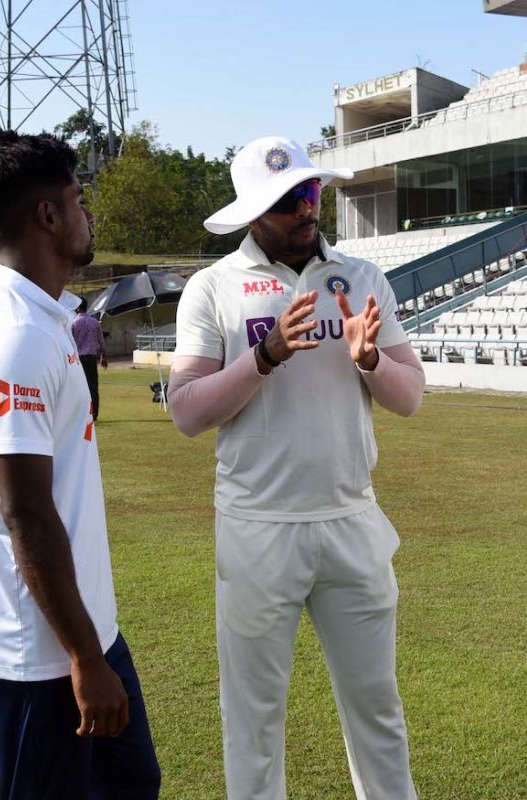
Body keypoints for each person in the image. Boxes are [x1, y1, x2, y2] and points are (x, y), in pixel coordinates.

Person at [168, 135, 424, 800]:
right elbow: (188, 410)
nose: (305, 211)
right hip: (259, 526)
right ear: (253, 214)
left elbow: (412, 397)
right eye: (287, 202)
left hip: (351, 518)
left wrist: (371, 361)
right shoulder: (214, 287)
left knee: (378, 710)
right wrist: (265, 356)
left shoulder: (362, 276)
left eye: (310, 194)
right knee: (253, 720)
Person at [0, 131, 160, 799]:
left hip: (84, 633)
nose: (86, 214)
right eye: (78, 199)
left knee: (133, 784)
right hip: (34, 655)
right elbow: (26, 512)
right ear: (48, 216)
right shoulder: (15, 338)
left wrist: (95, 646)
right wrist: (83, 659)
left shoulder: (43, 321)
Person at [71, 298, 107, 420]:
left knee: (78, 386)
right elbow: (101, 341)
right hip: (91, 357)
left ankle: (81, 413)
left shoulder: (73, 323)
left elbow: (70, 342)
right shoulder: (95, 322)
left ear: (77, 308)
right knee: (93, 386)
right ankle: (94, 413)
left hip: (78, 359)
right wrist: (104, 355)